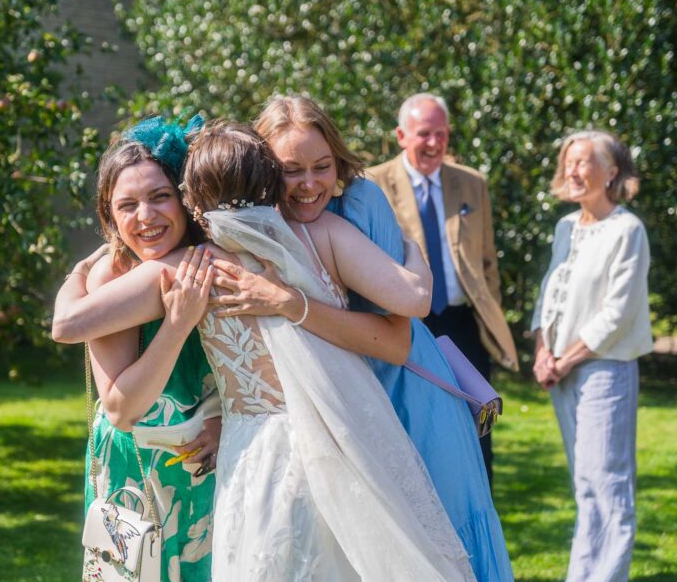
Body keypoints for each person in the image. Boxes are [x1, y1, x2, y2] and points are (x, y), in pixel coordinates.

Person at [210, 94, 513, 581]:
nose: (310, 184)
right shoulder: (258, 226)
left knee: (439, 547)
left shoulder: (357, 203)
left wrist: (291, 301)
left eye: (322, 166)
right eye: (291, 170)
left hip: (408, 394)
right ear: (263, 169)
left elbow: (398, 334)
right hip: (338, 409)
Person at [52, 116, 217, 582]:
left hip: (205, 467)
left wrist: (225, 420)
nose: (145, 217)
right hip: (136, 473)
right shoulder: (113, 274)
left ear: (185, 201)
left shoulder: (208, 260)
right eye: (127, 205)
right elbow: (122, 410)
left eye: (160, 196)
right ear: (110, 216)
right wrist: (177, 325)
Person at [367, 92, 518, 483]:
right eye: (424, 134)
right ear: (401, 136)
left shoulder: (471, 183)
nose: (434, 143)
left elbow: (487, 262)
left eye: (442, 134)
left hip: (464, 326)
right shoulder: (371, 184)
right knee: (414, 429)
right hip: (406, 325)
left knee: (478, 428)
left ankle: (480, 510)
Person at [530, 129, 652, 582]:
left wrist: (565, 359)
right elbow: (549, 294)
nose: (573, 170)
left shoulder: (627, 230)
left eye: (583, 161)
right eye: (568, 161)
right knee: (585, 483)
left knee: (608, 484)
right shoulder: (566, 226)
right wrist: (542, 351)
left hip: (604, 369)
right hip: (562, 370)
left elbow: (617, 312)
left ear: (611, 172)